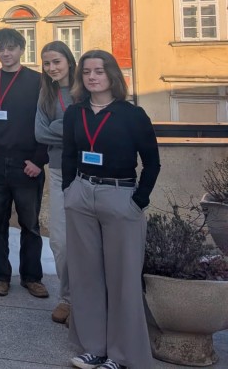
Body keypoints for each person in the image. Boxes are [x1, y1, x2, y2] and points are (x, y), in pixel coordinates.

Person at [63, 50, 160, 369]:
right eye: (87, 71)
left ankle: (120, 355)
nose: (92, 77)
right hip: (81, 194)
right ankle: (93, 347)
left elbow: (152, 162)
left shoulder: (132, 115)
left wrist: (138, 200)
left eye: (99, 71)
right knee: (85, 276)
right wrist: (69, 191)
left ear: (112, 75)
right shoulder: (75, 113)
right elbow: (69, 154)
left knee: (123, 279)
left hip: (120, 196)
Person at [0, 28, 47, 299]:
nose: (5, 53)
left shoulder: (38, 82)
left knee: (30, 225)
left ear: (21, 49)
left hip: (27, 165)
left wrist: (39, 160)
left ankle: (32, 277)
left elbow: (47, 123)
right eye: (0, 48)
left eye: (11, 48)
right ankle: (0, 277)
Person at [34, 41, 76, 325]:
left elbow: (93, 128)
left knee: (88, 240)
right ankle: (67, 297)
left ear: (69, 61)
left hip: (88, 171)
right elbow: (40, 133)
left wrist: (59, 127)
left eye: (56, 62)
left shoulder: (84, 89)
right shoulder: (46, 93)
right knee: (60, 240)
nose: (52, 68)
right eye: (47, 63)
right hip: (60, 170)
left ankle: (88, 299)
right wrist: (74, 131)